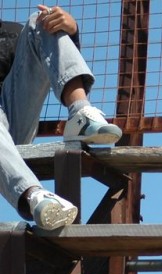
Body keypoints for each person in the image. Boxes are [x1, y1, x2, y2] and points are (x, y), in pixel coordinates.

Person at [1, 5, 122, 230]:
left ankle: (80, 113)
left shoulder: (13, 34)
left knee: (41, 20)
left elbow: (50, 64)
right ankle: (36, 197)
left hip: (12, 127)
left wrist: (71, 31)